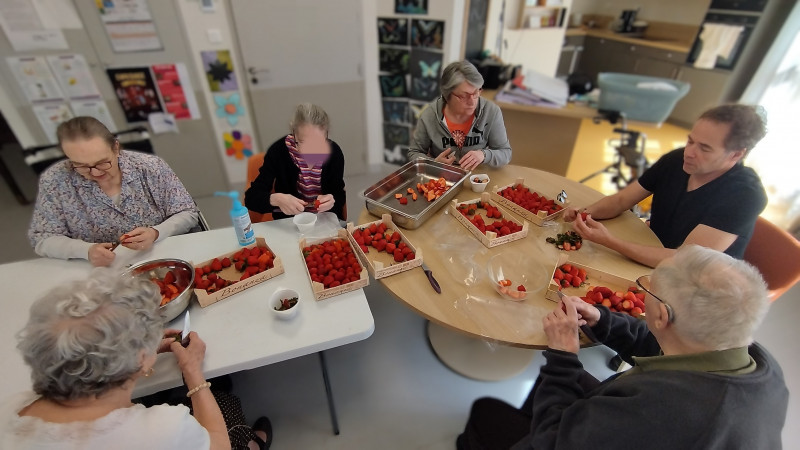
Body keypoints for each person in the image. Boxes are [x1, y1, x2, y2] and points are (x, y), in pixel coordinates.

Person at [457, 245, 788, 449]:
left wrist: (562, 355)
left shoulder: (659, 412)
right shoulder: (752, 361)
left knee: (486, 412)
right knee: (557, 383)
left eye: (649, 289)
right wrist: (603, 320)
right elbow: (661, 343)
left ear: (662, 315)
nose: (643, 293)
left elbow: (552, 443)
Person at [0, 270, 272, 450]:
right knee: (225, 406)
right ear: (141, 360)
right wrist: (192, 371)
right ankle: (251, 444)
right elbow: (217, 445)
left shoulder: (12, 410)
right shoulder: (162, 429)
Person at [564, 104, 768, 268]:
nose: (689, 152)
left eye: (704, 148)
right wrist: (585, 214)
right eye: (690, 141)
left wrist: (609, 241)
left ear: (736, 154)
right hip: (653, 253)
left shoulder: (746, 195)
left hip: (695, 280)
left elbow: (682, 260)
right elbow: (621, 200)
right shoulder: (677, 160)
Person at [28, 116, 200, 267]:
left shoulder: (150, 167)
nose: (96, 173)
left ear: (116, 148)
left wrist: (156, 233)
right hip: (103, 270)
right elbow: (42, 239)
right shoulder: (55, 180)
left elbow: (188, 213)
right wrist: (85, 250)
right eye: (81, 165)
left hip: (165, 255)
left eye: (102, 162)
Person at [244, 103, 346, 221]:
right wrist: (276, 199)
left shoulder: (334, 153)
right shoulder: (278, 151)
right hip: (290, 220)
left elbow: (339, 195)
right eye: (302, 142)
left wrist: (332, 201)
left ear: (326, 134)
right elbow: (251, 198)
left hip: (324, 219)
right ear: (294, 133)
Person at [407, 60, 511, 170]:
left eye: (476, 92)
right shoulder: (430, 115)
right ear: (447, 95)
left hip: (477, 176)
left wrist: (484, 155)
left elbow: (505, 153)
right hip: (442, 176)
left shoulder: (491, 111)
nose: (472, 102)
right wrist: (433, 163)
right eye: (464, 96)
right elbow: (414, 152)